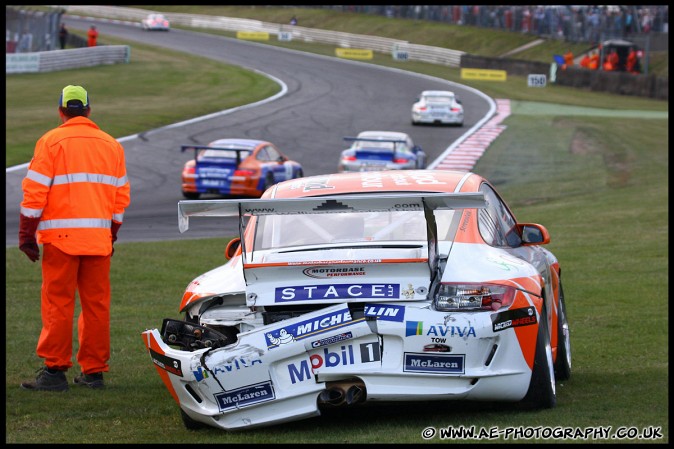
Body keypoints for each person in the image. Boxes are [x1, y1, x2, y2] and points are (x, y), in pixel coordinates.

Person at [19, 85, 131, 392]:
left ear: (61, 111)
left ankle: (55, 372)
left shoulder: (51, 141)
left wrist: (26, 234)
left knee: (58, 304)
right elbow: (121, 198)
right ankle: (94, 373)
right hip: (98, 240)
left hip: (60, 240)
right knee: (97, 306)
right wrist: (111, 234)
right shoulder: (111, 145)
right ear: (89, 111)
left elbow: (35, 191)